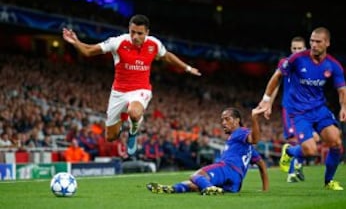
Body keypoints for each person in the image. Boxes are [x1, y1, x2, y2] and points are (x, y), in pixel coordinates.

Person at [62, 14, 201, 156]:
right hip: (119, 92)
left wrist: (188, 68)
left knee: (134, 113)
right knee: (110, 137)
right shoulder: (118, 42)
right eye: (132, 32)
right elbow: (88, 51)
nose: (134, 36)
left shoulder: (154, 44)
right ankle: (123, 119)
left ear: (147, 32)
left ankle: (133, 132)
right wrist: (75, 42)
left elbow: (167, 56)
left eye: (139, 33)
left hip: (141, 90)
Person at [258, 27, 346, 190]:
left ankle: (329, 182)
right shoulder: (297, 59)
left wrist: (344, 107)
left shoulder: (333, 65)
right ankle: (290, 152)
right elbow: (277, 77)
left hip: (319, 109)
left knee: (336, 142)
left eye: (318, 41)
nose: (314, 45)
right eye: (312, 41)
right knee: (310, 150)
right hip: (298, 112)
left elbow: (342, 91)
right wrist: (266, 100)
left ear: (327, 43)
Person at [146, 106, 269, 195]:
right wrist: (265, 189)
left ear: (237, 120)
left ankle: (210, 189)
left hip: (227, 169)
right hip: (235, 183)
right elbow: (262, 165)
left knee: (196, 176)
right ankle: (173, 189)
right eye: (222, 120)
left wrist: (254, 118)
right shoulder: (245, 148)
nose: (223, 123)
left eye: (227, 119)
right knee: (196, 185)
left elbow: (254, 139)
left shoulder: (240, 132)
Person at [264, 36, 308, 183]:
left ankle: (289, 153)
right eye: (294, 48)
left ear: (305, 49)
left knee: (309, 142)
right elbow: (276, 83)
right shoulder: (285, 63)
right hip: (290, 108)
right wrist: (269, 103)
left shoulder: (311, 65)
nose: (296, 51)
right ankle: (293, 172)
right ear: (290, 49)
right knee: (296, 139)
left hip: (307, 108)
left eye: (299, 48)